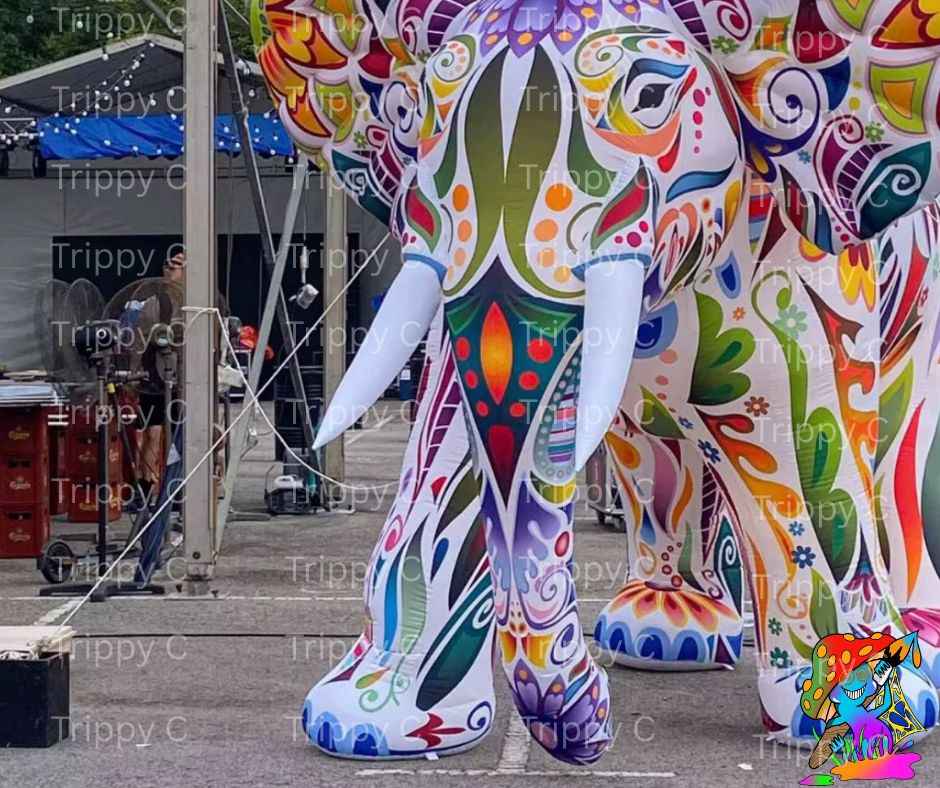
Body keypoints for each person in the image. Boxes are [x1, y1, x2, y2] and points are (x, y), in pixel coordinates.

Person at [134, 252, 186, 506]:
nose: (169, 270)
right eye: (167, 266)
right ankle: (144, 488)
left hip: (184, 380)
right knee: (152, 432)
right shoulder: (153, 303)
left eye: (176, 267)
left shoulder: (195, 301)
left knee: (180, 435)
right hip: (155, 376)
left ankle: (177, 488)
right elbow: (142, 337)